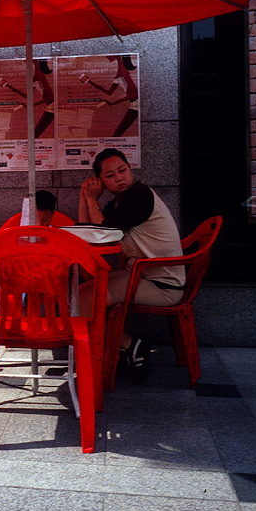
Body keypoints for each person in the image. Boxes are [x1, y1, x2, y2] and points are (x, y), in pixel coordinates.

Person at [78, 148, 185, 382]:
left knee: (82, 302)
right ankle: (126, 346)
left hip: (162, 285)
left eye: (122, 170)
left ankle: (103, 358)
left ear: (130, 169)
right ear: (101, 181)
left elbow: (105, 233)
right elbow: (88, 232)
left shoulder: (139, 195)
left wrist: (91, 200)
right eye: (110, 175)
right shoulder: (119, 202)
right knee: (78, 294)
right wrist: (84, 196)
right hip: (142, 275)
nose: (119, 178)